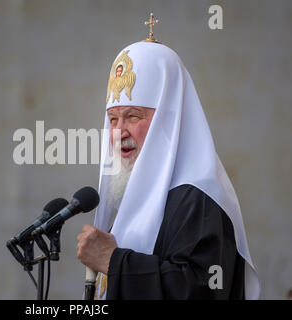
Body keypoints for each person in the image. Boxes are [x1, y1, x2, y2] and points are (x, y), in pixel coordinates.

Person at [76, 30, 260, 299]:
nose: (118, 132)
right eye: (113, 120)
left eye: (133, 116)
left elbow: (203, 289)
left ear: (169, 121)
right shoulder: (134, 194)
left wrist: (114, 262)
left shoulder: (200, 198)